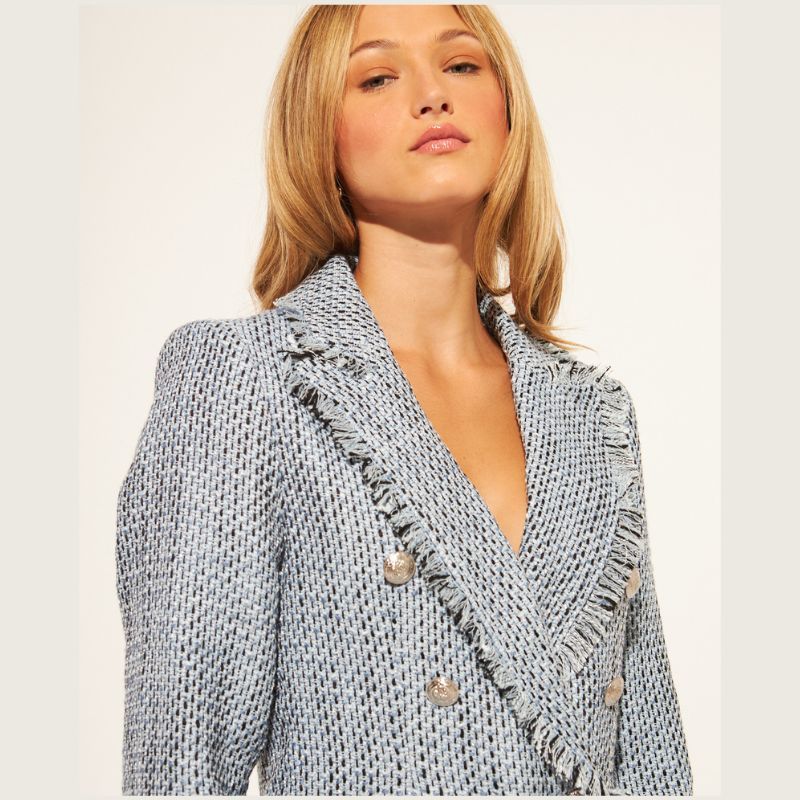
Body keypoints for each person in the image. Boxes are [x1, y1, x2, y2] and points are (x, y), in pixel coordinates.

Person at [115, 4, 693, 796]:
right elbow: (181, 759)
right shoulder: (247, 379)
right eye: (378, 77)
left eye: (461, 64)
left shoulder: (595, 414)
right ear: (320, 136)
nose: (432, 94)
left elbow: (651, 755)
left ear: (507, 109)